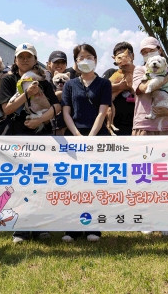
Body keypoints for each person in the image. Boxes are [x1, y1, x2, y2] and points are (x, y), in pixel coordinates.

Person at [0, 42, 60, 243]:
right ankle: (21, 228)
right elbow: (6, 109)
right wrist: (27, 93)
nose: (25, 60)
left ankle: (41, 225)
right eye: (21, 57)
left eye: (29, 57)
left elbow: (57, 106)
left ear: (35, 60)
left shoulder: (43, 81)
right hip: (17, 134)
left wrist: (40, 120)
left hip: (41, 135)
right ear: (15, 60)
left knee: (41, 180)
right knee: (19, 180)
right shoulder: (8, 81)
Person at [133, 37, 168, 236]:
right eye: (144, 52)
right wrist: (166, 78)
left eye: (151, 50)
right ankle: (146, 218)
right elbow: (143, 88)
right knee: (143, 175)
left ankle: (167, 219)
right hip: (144, 127)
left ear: (160, 50)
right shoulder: (140, 71)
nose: (148, 54)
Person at [61, 43, 112, 242]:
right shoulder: (69, 84)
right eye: (81, 58)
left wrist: (91, 137)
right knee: (73, 184)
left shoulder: (104, 83)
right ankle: (71, 228)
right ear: (75, 63)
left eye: (89, 56)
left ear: (96, 60)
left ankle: (94, 227)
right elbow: (66, 112)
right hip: (73, 138)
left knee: (95, 183)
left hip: (97, 137)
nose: (85, 60)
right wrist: (77, 136)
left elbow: (103, 111)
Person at [102, 42, 136, 136]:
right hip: (116, 126)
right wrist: (119, 87)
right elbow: (100, 90)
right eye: (118, 56)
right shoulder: (111, 72)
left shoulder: (140, 72)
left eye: (126, 54)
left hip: (137, 125)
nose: (123, 58)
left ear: (132, 55)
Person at [46, 50, 76, 135]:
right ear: (49, 63)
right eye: (56, 62)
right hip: (49, 122)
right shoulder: (45, 76)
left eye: (62, 62)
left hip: (64, 122)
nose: (59, 65)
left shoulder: (68, 79)